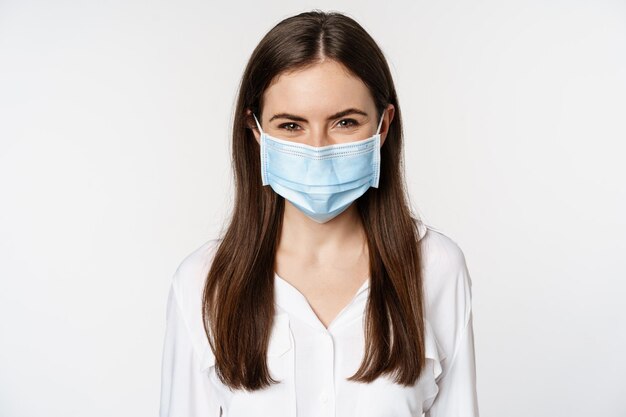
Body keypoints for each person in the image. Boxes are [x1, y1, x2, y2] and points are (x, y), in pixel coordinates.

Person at [159, 9, 480, 417]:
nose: (318, 149)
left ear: (382, 126)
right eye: (291, 126)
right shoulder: (203, 281)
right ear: (256, 131)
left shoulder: (436, 267)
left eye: (345, 122)